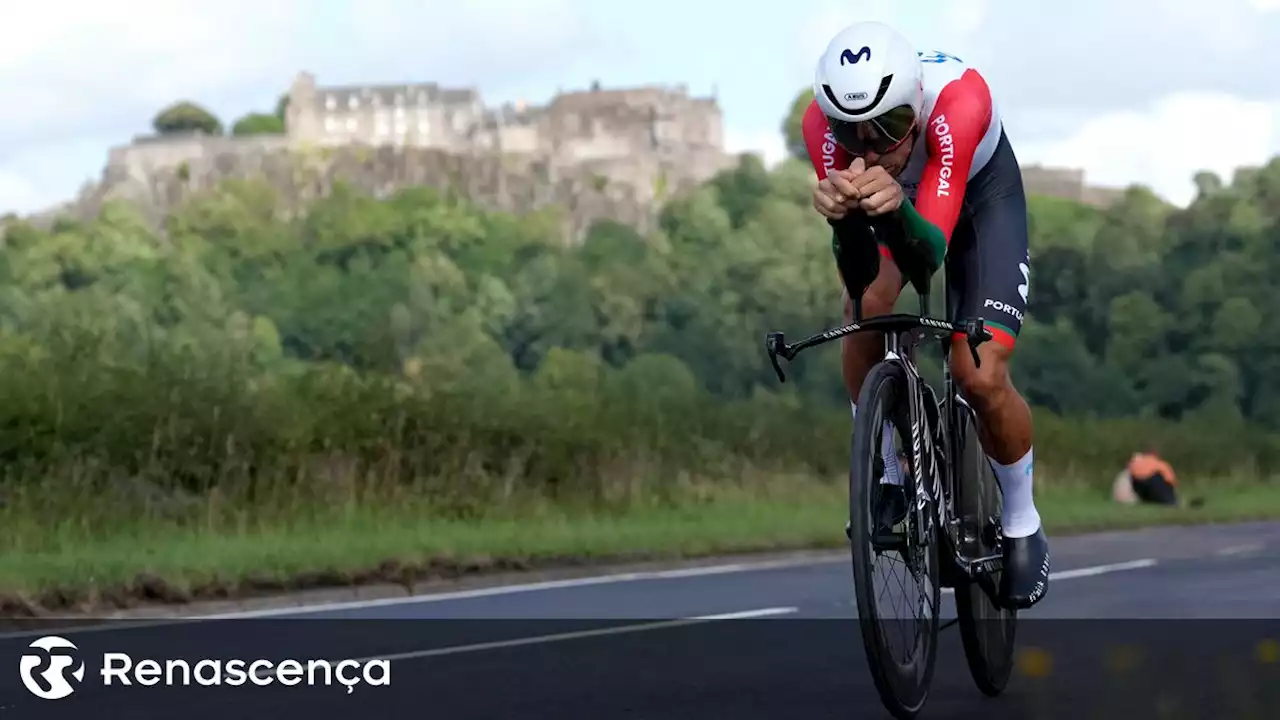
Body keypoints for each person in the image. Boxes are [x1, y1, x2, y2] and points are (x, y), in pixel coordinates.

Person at [801, 21, 1050, 609]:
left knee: (979, 373)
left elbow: (928, 256)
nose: (868, 150)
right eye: (849, 132)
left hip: (977, 200)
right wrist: (843, 222)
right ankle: (890, 468)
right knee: (864, 310)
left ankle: (1021, 521)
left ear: (914, 107)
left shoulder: (959, 102)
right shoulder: (822, 129)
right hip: (906, 209)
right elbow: (861, 275)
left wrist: (888, 211)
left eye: (887, 129)